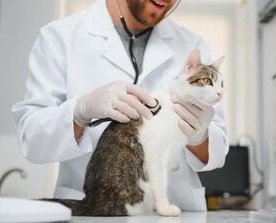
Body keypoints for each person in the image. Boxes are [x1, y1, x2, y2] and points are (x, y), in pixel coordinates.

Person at [12, 0, 229, 211]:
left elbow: (216, 152)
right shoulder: (60, 37)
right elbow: (31, 138)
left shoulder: (193, 46)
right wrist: (80, 111)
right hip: (95, 216)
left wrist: (199, 136)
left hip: (176, 216)